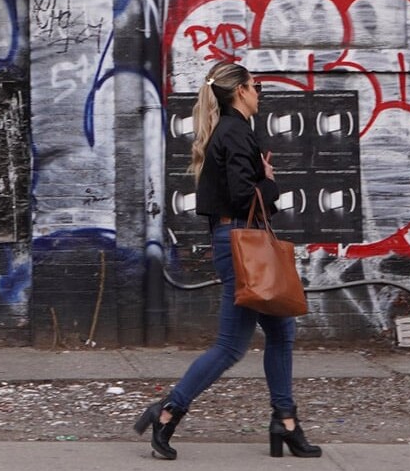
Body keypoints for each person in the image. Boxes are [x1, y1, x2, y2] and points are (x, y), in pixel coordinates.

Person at [133, 61, 321, 461]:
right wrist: (268, 181)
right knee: (230, 346)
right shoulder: (236, 132)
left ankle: (285, 422)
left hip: (236, 239)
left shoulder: (231, 130)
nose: (260, 92)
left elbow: (236, 192)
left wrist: (260, 179)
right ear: (240, 92)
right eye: (256, 86)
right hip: (241, 243)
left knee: (281, 333)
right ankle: (167, 411)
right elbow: (242, 194)